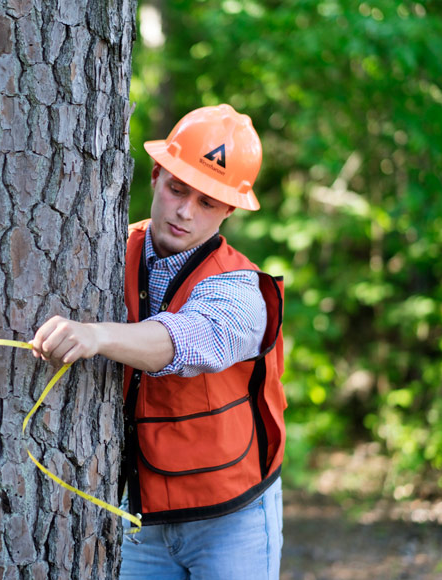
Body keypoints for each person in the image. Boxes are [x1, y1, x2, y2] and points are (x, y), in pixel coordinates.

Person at [30, 104, 287, 579]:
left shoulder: (241, 289)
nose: (185, 211)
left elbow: (184, 342)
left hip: (232, 516)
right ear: (156, 176)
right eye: (177, 189)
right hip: (138, 517)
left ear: (228, 208)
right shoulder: (106, 251)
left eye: (207, 201)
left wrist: (95, 335)